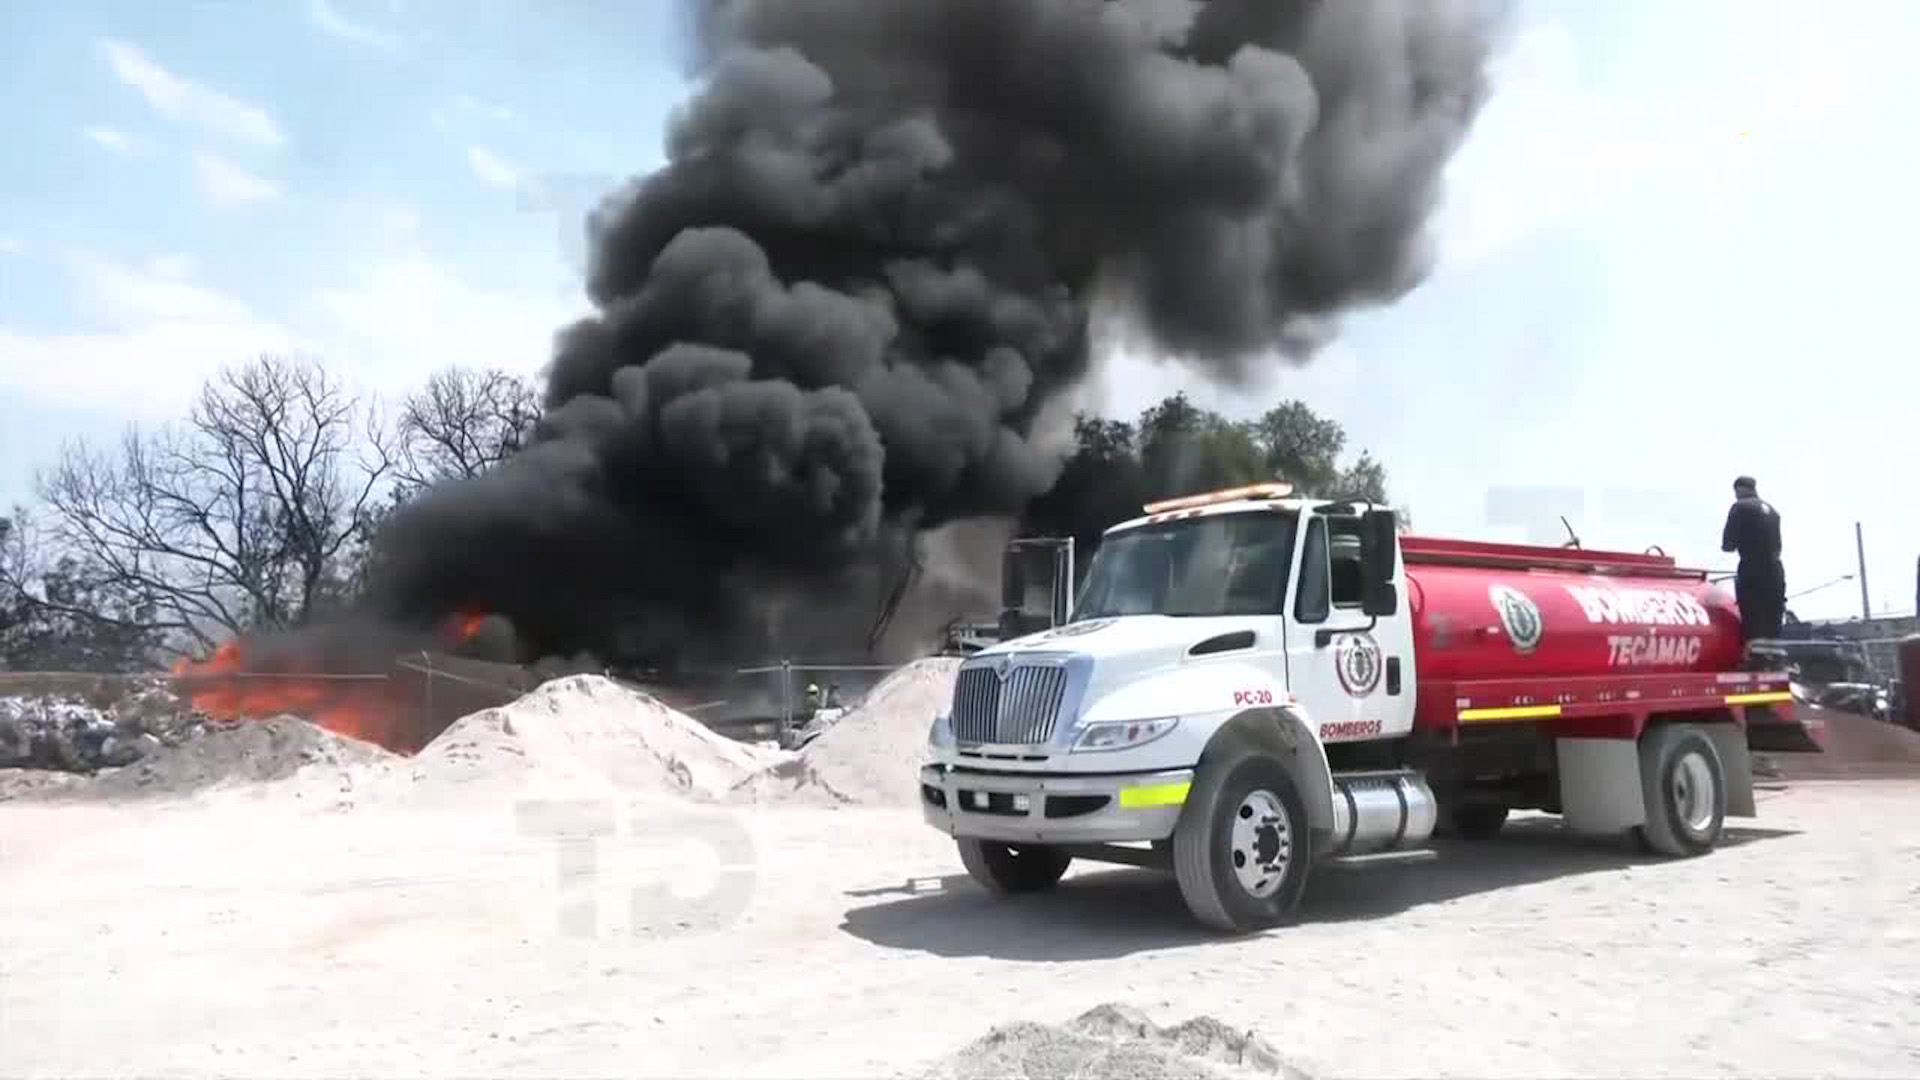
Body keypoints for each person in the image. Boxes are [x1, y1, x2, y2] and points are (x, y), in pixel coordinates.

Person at [1721, 475, 1785, 643]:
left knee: (1753, 618)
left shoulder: (1740, 507)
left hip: (1752, 569)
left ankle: (1754, 657)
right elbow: (1778, 545)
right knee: (1773, 618)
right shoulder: (1773, 511)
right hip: (1776, 570)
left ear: (1739, 489)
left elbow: (1728, 545)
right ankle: (1772, 659)